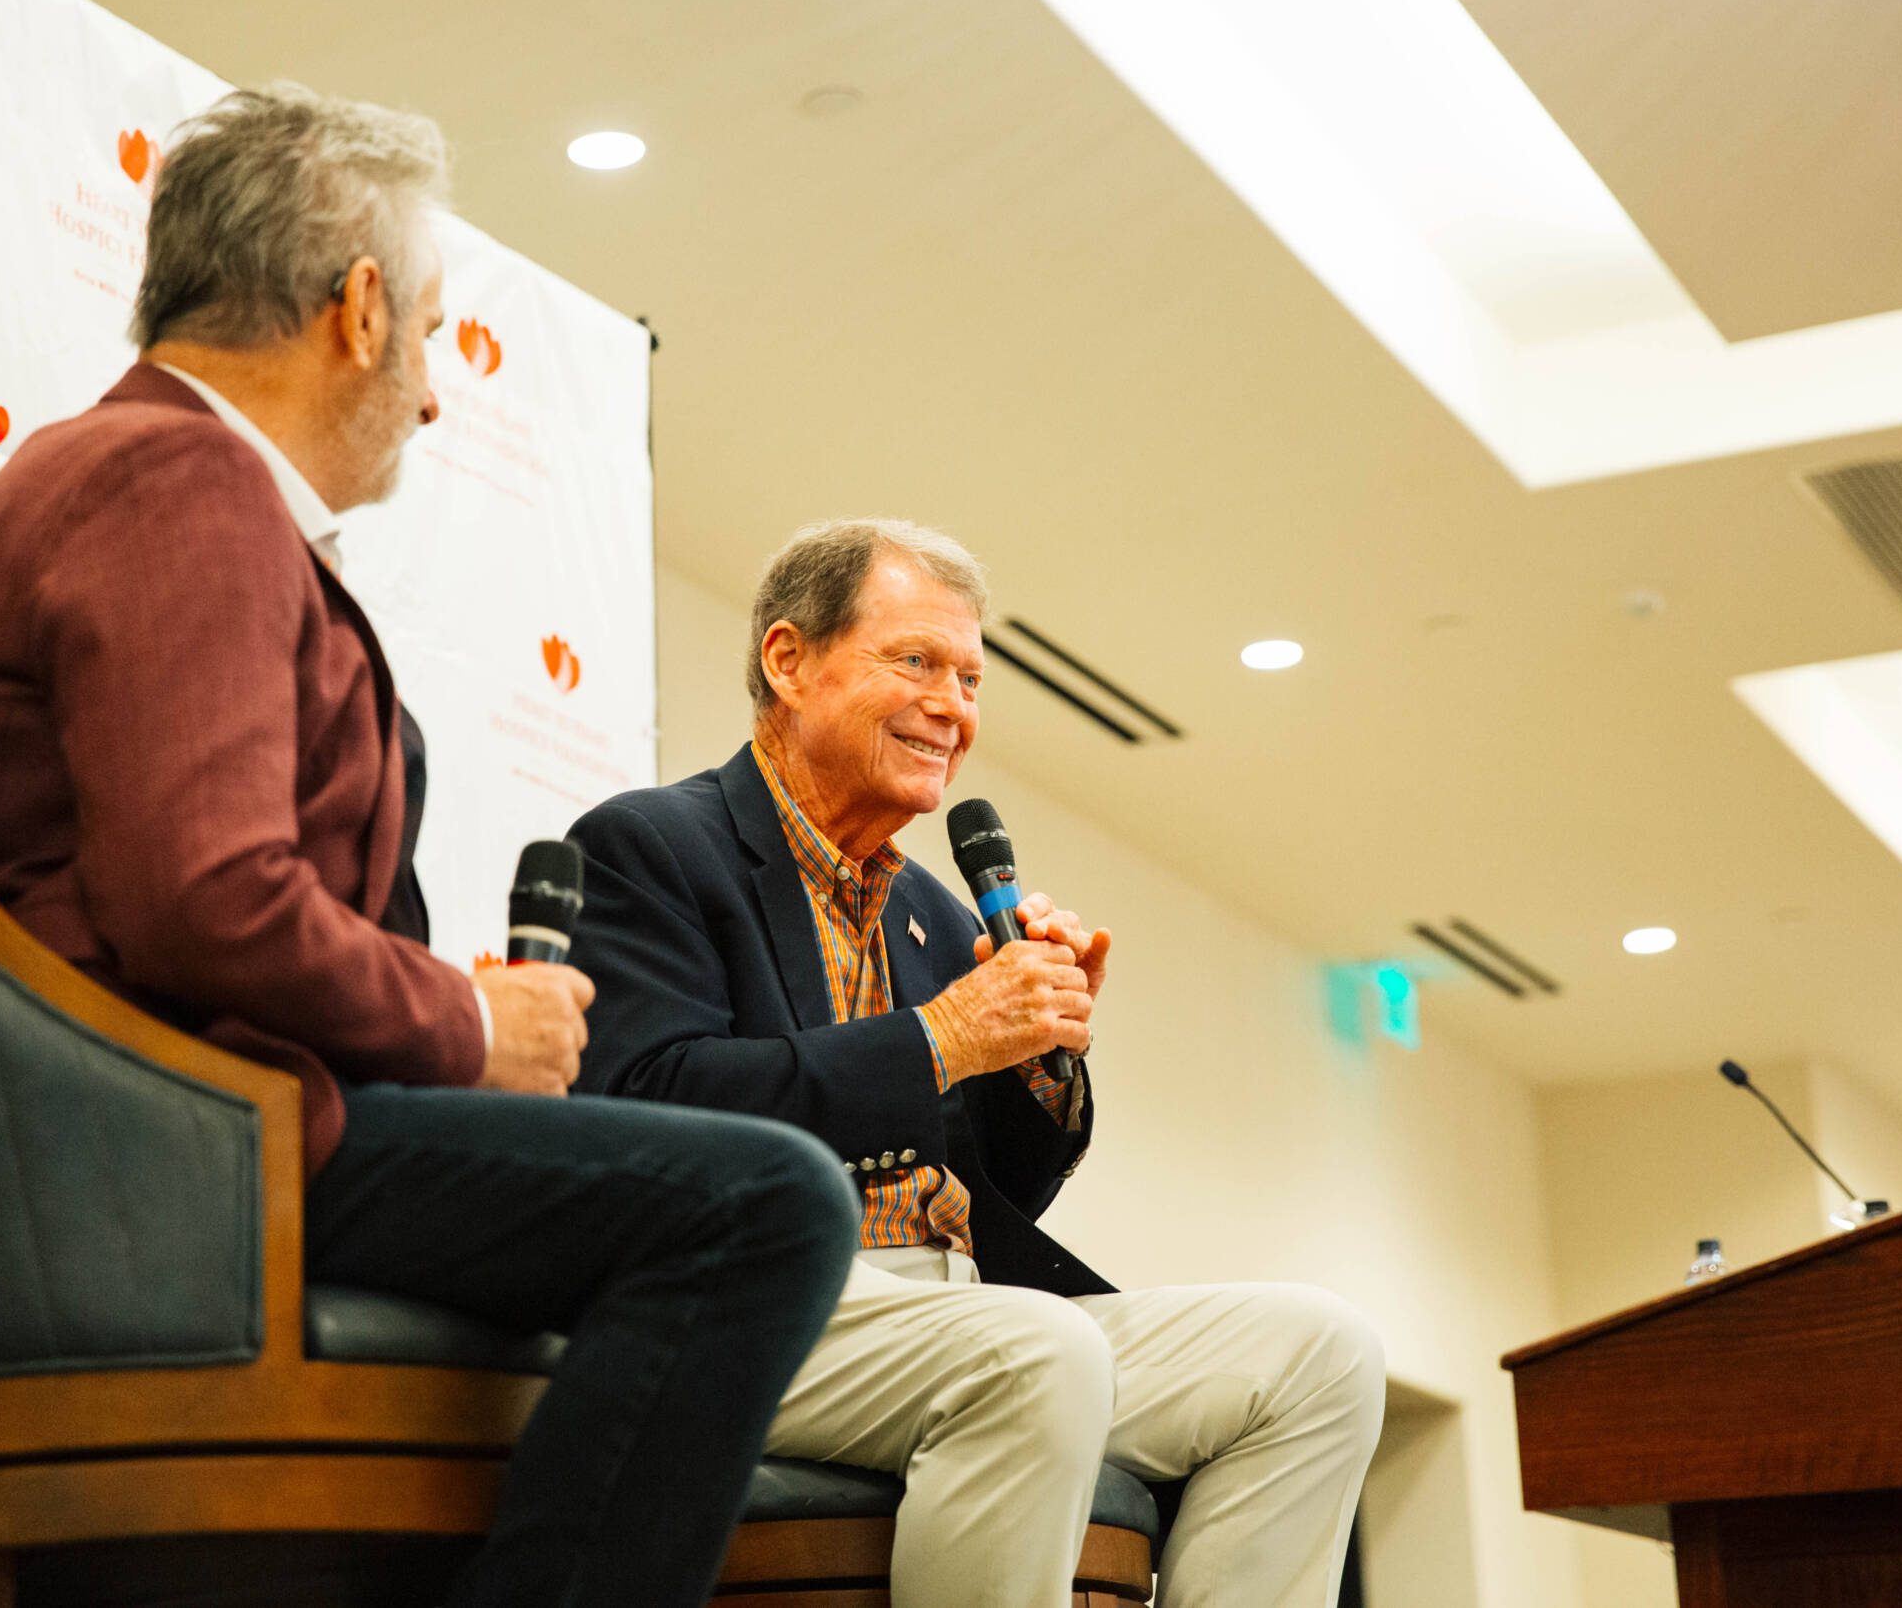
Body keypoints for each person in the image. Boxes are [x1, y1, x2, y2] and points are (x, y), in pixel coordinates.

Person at [0, 84, 858, 1607]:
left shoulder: (121, 470)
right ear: (356, 310)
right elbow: (205, 896)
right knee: (772, 1203)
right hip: (178, 1146)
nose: (432, 397)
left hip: (115, 1127)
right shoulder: (179, 477)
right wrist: (466, 1023)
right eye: (428, 333)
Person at [567, 518, 1386, 1607]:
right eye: (916, 661)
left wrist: (1037, 1059)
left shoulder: (938, 917)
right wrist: (944, 1037)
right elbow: (650, 1109)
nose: (952, 706)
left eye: (970, 678)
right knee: (1038, 1350)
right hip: (757, 1303)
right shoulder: (653, 847)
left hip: (966, 1308)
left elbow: (1002, 1188)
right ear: (789, 660)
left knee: (1322, 1353)